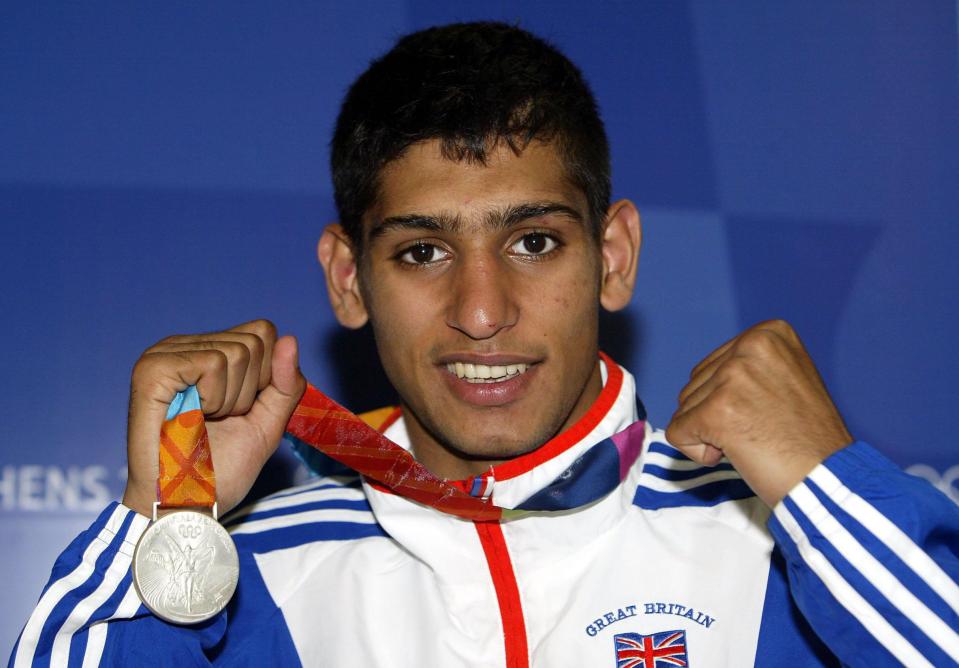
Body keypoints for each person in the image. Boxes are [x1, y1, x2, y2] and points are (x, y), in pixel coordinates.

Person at [10, 21, 959, 667]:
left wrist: (834, 498)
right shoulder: (255, 571)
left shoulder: (782, 540)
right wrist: (159, 516)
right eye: (423, 251)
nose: (480, 309)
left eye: (532, 242)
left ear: (614, 256)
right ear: (348, 279)